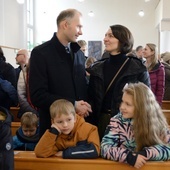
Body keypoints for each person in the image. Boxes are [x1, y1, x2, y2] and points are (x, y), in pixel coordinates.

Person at [29, 9, 92, 138]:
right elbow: (38, 95)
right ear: (65, 25)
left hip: (78, 128)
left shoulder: (79, 54)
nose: (81, 32)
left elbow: (82, 86)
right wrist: (74, 105)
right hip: (54, 129)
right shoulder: (41, 53)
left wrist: (84, 105)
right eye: (78, 26)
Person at [86, 24, 150, 140]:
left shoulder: (137, 67)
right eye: (105, 35)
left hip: (127, 124)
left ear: (123, 40)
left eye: (110, 36)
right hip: (98, 122)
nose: (105, 39)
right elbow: (91, 97)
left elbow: (146, 100)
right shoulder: (97, 67)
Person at [101, 82, 170, 169]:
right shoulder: (117, 121)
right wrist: (129, 156)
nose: (122, 107)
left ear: (141, 107)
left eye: (128, 104)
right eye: (122, 102)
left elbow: (168, 148)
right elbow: (105, 148)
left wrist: (144, 154)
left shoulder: (157, 122)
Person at [34, 99, 100, 158]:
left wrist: (65, 153)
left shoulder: (90, 129)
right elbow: (40, 152)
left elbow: (95, 150)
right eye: (60, 122)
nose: (65, 125)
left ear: (74, 118)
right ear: (53, 122)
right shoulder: (56, 136)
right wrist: (53, 132)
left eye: (69, 120)